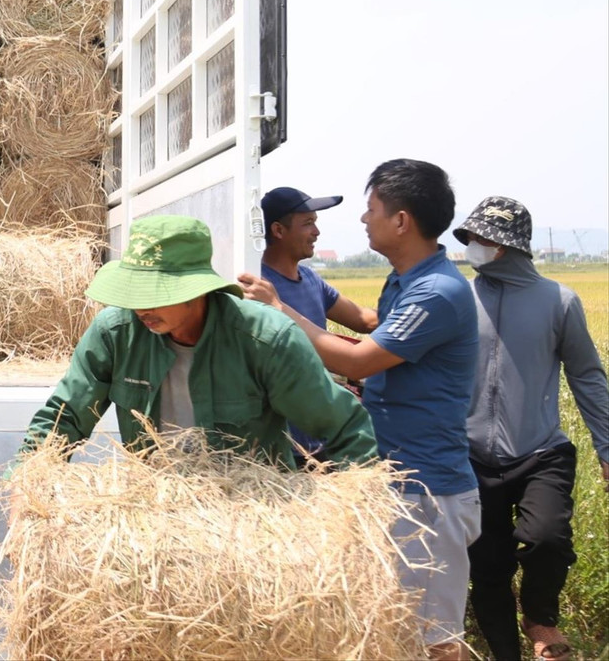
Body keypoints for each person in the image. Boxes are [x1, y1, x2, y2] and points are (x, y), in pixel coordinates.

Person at [240, 159, 480, 660]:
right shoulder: (403, 282)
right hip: (395, 480)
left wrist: (278, 310)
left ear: (401, 221)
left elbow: (360, 361)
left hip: (426, 491)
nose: (364, 220)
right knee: (394, 629)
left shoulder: (435, 292)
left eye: (372, 209)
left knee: (435, 639)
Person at [19, 214, 378, 469]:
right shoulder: (115, 333)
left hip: (248, 517)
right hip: (155, 510)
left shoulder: (265, 339)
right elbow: (62, 420)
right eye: (135, 292)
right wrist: (26, 479)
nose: (141, 306)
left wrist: (339, 520)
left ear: (197, 291)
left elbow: (348, 430)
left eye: (156, 293)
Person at [454, 196, 609, 661]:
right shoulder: (460, 298)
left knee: (547, 538)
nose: (472, 248)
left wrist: (607, 445)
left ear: (505, 246)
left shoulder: (559, 301)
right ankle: (507, 653)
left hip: (540, 450)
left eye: (481, 239)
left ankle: (540, 618)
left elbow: (586, 375)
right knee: (489, 564)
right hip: (471, 455)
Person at [259, 186, 380, 457]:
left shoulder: (312, 280)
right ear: (278, 231)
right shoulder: (259, 287)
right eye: (308, 223)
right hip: (283, 445)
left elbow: (363, 320)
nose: (316, 232)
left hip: (321, 434)